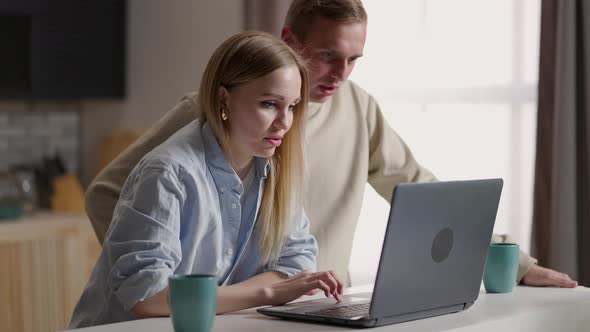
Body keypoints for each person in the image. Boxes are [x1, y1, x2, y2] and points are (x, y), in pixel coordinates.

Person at [85, 0, 577, 289]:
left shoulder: (359, 109)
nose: (341, 75)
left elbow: (425, 195)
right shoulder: (212, 110)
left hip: (322, 308)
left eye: (354, 59)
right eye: (327, 56)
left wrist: (515, 264)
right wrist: (190, 293)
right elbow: (107, 192)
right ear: (288, 39)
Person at [69, 31, 344, 328]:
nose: (285, 122)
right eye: (269, 104)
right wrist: (267, 291)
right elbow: (148, 298)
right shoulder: (167, 173)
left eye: (292, 106)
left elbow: (297, 262)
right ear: (224, 98)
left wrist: (261, 290)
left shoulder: (275, 169)